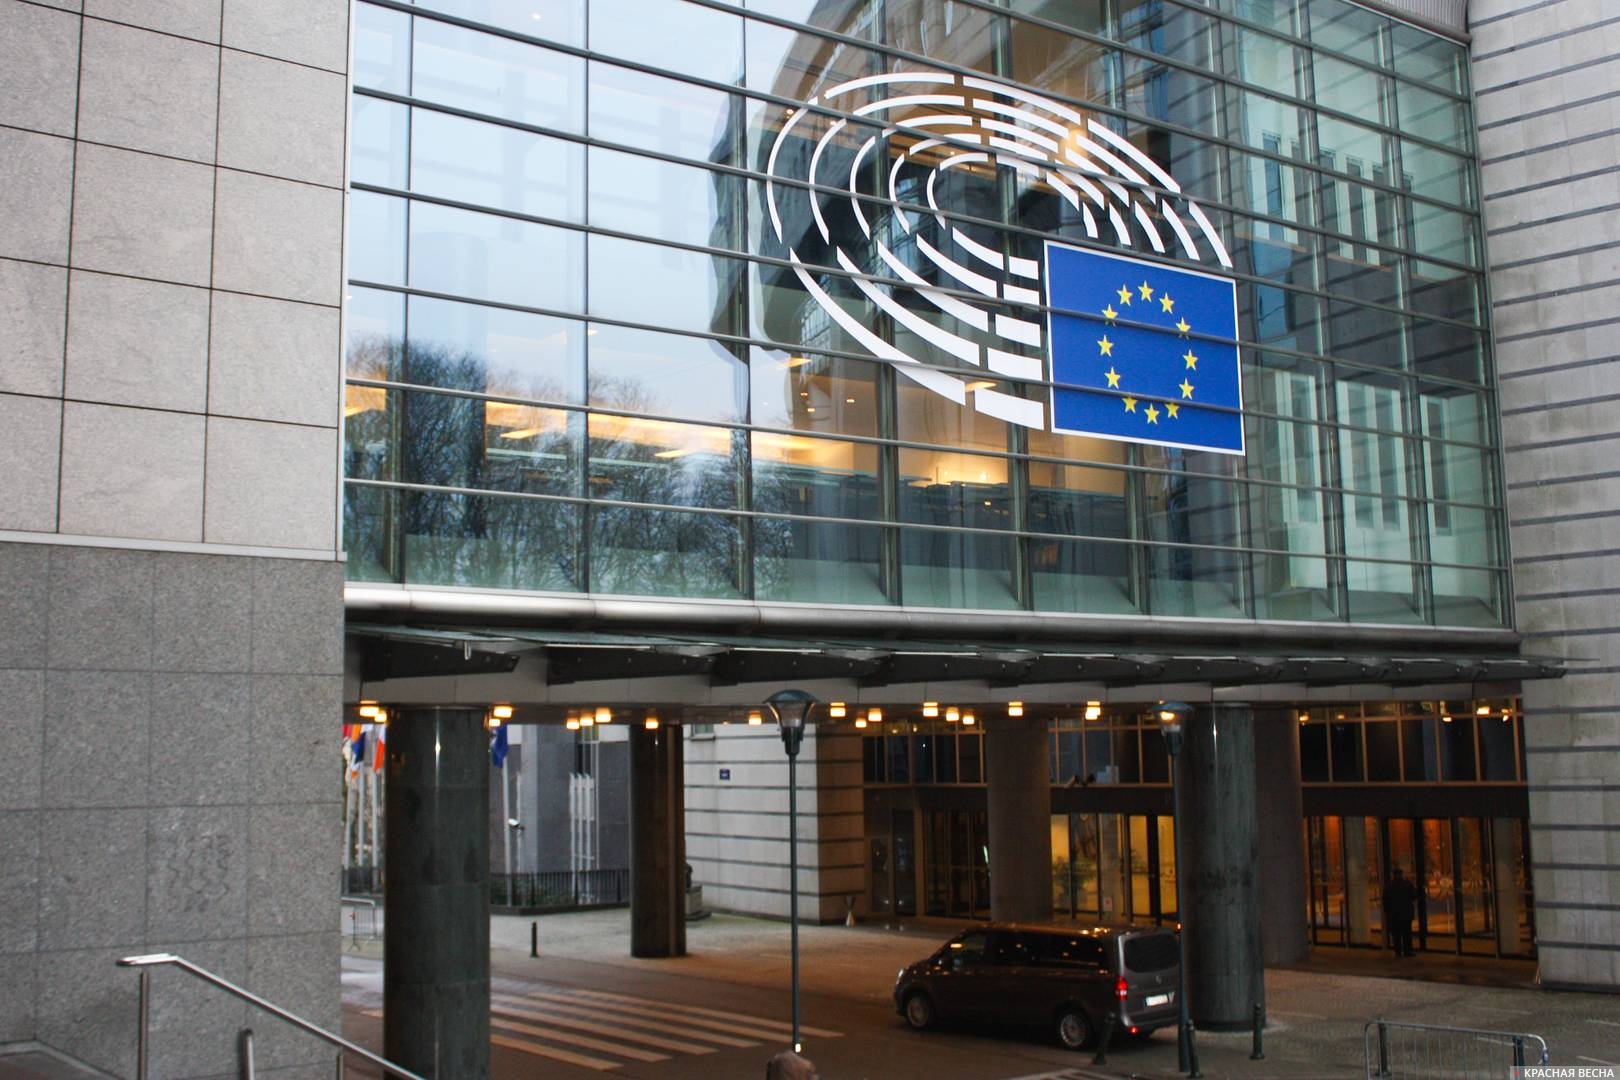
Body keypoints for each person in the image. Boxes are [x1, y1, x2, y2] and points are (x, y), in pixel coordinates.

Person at [1382, 867, 1419, 957]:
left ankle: (1398, 951)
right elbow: (1414, 896)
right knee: (1407, 934)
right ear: (1401, 875)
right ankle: (1407, 951)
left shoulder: (1389, 886)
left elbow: (1385, 901)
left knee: (1396, 934)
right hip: (1406, 913)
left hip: (1394, 914)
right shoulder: (1407, 884)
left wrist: (1388, 912)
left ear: (1393, 875)